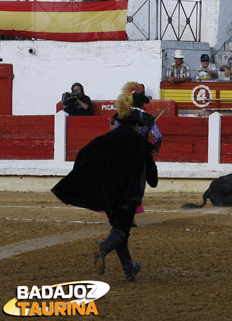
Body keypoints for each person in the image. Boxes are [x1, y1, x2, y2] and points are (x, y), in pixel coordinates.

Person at [51, 92, 158, 282]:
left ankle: (129, 271)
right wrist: (151, 175)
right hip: (128, 195)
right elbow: (153, 179)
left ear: (118, 123)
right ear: (135, 125)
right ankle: (103, 248)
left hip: (107, 195)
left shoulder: (102, 141)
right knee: (121, 231)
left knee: (118, 230)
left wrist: (87, 178)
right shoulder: (141, 144)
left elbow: (83, 155)